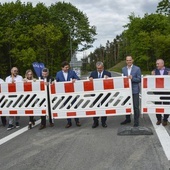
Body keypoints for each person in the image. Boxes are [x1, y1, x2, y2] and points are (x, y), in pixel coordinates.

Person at [56, 61, 81, 128]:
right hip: (64, 94)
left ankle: (77, 121)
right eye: (66, 67)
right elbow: (56, 82)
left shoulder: (72, 72)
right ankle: (69, 122)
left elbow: (78, 78)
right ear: (62, 68)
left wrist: (75, 79)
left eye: (68, 67)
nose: (67, 68)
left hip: (72, 93)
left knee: (74, 106)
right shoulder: (58, 74)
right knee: (67, 107)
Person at [89, 61, 111, 128]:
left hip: (105, 94)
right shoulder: (93, 73)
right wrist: (90, 78)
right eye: (98, 68)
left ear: (103, 67)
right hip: (96, 94)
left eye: (100, 68)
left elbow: (111, 83)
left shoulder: (108, 73)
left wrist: (109, 79)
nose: (99, 70)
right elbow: (89, 82)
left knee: (104, 108)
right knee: (96, 108)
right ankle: (95, 122)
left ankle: (103, 122)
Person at [120, 56, 141, 127]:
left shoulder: (137, 69)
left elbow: (139, 79)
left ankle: (136, 121)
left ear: (132, 60)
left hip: (134, 90)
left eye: (130, 60)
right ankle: (127, 119)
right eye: (127, 60)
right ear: (126, 61)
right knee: (126, 105)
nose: (129, 61)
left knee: (135, 106)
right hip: (126, 91)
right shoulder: (123, 69)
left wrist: (132, 78)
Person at [151, 59, 170, 126]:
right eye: (156, 64)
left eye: (158, 64)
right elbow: (151, 81)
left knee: (166, 105)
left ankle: (165, 120)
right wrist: (152, 76)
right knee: (158, 105)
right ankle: (158, 119)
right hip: (157, 92)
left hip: (166, 92)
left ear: (162, 64)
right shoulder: (154, 71)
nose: (157, 65)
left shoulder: (169, 70)